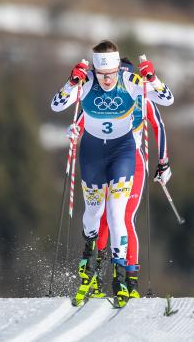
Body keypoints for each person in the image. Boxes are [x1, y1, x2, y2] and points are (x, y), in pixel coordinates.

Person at [51, 40, 173, 307]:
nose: (109, 81)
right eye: (103, 75)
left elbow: (160, 123)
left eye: (115, 74)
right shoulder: (92, 87)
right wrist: (74, 129)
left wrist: (163, 162)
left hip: (132, 158)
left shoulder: (137, 89)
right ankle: (93, 274)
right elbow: (80, 116)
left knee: (122, 216)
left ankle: (128, 279)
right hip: (97, 155)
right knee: (99, 218)